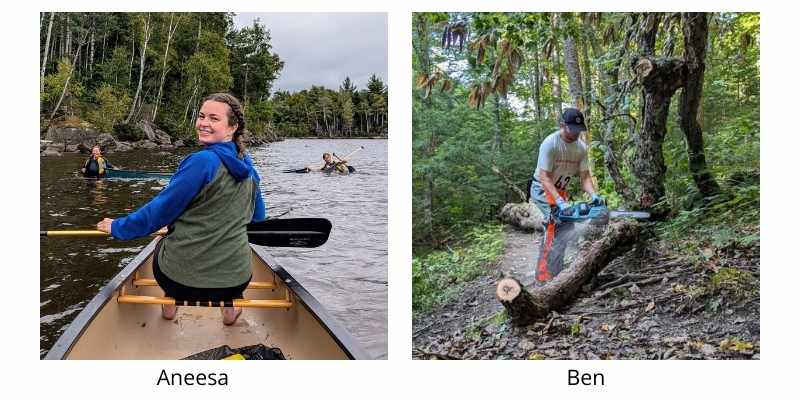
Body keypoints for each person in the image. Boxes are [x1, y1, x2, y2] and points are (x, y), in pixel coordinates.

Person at [96, 93, 266, 325]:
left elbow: (159, 211)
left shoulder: (201, 161)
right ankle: (229, 311)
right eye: (201, 116)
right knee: (235, 254)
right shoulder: (250, 169)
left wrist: (118, 227)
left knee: (161, 242)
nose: (204, 123)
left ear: (232, 127)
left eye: (214, 118)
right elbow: (257, 219)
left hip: (179, 282)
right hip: (235, 281)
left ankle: (169, 306)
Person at [529, 107, 604, 284]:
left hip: (560, 191)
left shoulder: (581, 148)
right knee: (553, 225)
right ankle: (542, 277)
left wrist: (594, 196)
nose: (577, 133)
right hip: (543, 189)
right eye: (573, 129)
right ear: (562, 125)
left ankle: (556, 272)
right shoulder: (550, 143)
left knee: (566, 228)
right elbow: (544, 177)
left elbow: (585, 177)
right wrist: (561, 203)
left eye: (579, 130)